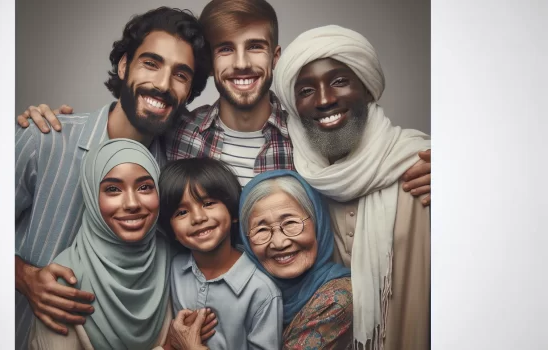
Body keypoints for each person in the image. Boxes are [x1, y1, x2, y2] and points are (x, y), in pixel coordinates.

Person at [16, 0, 432, 204]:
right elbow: (116, 144)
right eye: (225, 50)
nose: (242, 63)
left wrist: (435, 165)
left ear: (275, 57)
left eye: (255, 47)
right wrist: (47, 126)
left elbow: (378, 154)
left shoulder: (310, 131)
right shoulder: (176, 135)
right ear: (210, 63)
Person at [14, 7, 211, 350]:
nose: (163, 84)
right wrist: (23, 277)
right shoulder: (45, 138)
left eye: (181, 75)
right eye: (151, 63)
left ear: (190, 90)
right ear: (124, 66)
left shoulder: (172, 178)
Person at [273, 25, 431, 350]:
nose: (325, 99)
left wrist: (473, 182)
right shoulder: (297, 181)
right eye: (305, 91)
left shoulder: (423, 163)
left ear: (368, 88)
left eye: (340, 81)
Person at [158, 158, 283, 349]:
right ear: (171, 231)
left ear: (233, 212)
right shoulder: (173, 269)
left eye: (208, 203)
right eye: (181, 212)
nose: (198, 218)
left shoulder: (261, 291)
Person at [239, 170, 353, 350]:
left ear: (318, 223)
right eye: (261, 230)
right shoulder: (247, 291)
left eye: (291, 223)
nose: (279, 243)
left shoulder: (337, 298)